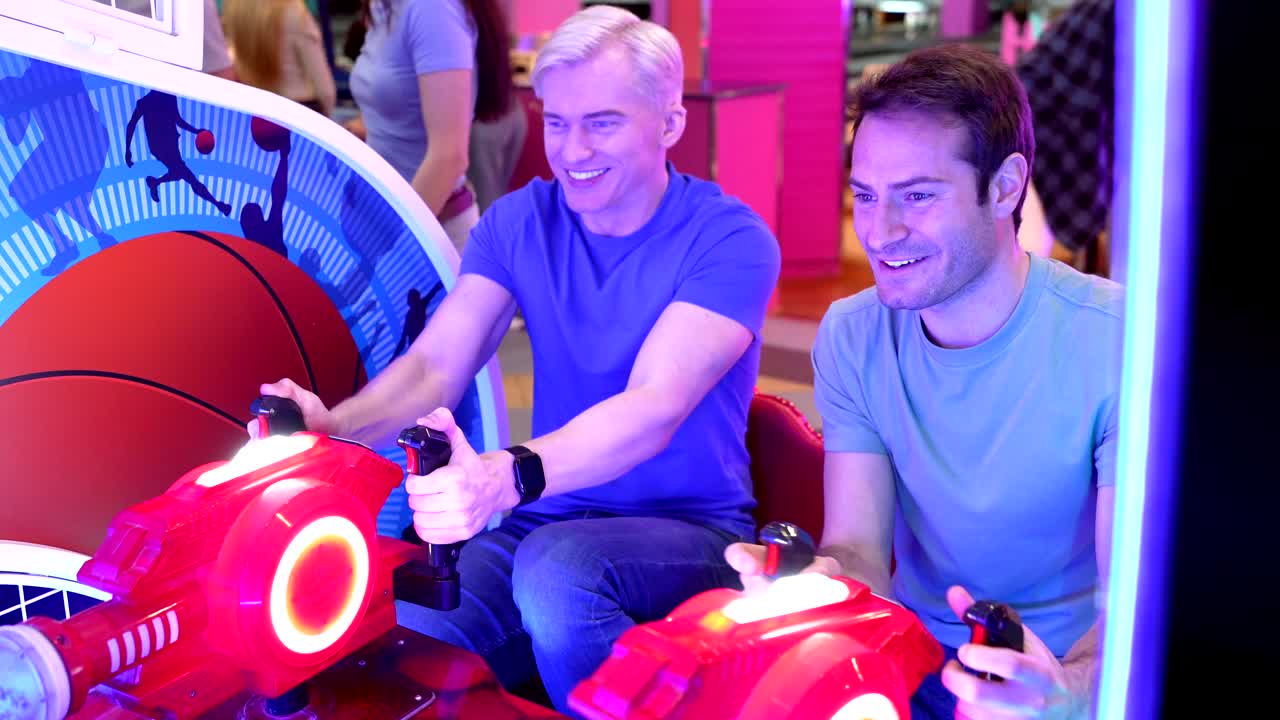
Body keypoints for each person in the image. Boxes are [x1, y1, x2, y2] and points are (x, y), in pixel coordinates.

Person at [254, 6, 780, 715]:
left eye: (602, 122)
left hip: (689, 529)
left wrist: (507, 477)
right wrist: (332, 429)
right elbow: (434, 366)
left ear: (670, 125)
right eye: (556, 122)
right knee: (417, 624)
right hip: (547, 521)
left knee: (557, 575)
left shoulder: (730, 239)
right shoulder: (519, 222)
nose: (572, 151)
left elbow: (653, 407)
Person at [726, 44, 1121, 720]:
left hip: (1065, 675)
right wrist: (814, 586)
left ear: (1004, 187)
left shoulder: (1114, 339)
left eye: (917, 196)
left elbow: (1135, 604)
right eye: (866, 196)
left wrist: (1068, 691)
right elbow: (858, 549)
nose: (880, 232)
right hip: (913, 660)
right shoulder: (854, 332)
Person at [347, 0, 514, 252]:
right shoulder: (384, 7)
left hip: (428, 235)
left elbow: (449, 157)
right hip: (387, 221)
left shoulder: (433, 7)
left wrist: (392, 243)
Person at [222, 0, 338, 116]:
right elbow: (325, 91)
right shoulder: (294, 11)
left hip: (257, 113)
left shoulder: (233, 8)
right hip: (300, 112)